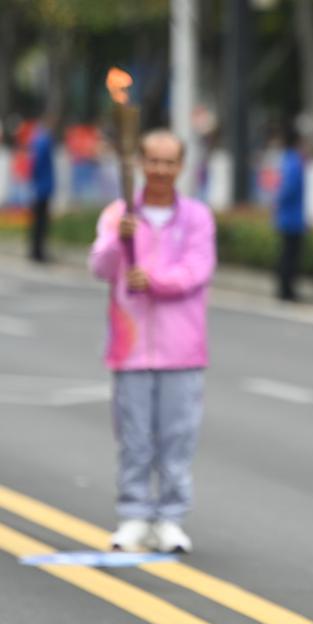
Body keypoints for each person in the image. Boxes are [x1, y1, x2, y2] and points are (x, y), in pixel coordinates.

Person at [89, 129, 216, 554]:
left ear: (180, 166)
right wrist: (118, 241)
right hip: (130, 347)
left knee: (177, 439)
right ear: (140, 164)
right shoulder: (117, 214)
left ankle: (170, 520)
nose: (160, 169)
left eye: (169, 161)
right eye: (153, 160)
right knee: (134, 438)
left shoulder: (196, 216)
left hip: (182, 350)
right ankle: (134, 516)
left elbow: (197, 269)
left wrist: (155, 280)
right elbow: (100, 267)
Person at [274, 124, 306, 301]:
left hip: (285, 216)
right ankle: (287, 290)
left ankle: (284, 288)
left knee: (285, 253)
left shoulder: (285, 159)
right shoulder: (295, 161)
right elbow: (289, 189)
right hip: (293, 217)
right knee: (290, 256)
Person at [29, 118, 55, 262]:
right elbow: (38, 164)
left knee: (37, 221)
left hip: (39, 186)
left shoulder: (37, 140)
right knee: (41, 222)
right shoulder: (44, 140)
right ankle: (38, 252)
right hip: (43, 187)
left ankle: (35, 250)